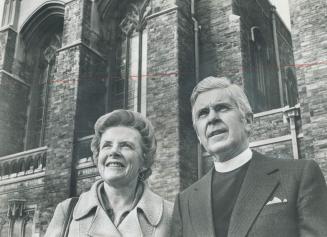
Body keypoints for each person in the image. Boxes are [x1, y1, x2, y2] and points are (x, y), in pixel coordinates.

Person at [171, 76, 327, 237]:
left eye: (222, 108)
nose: (212, 118)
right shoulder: (185, 203)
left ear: (248, 121)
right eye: (203, 113)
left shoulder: (299, 176)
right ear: (198, 134)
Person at [45, 109, 173, 237]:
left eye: (126, 145)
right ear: (98, 154)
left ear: (144, 161)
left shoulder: (169, 215)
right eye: (107, 145)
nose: (114, 152)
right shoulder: (67, 211)